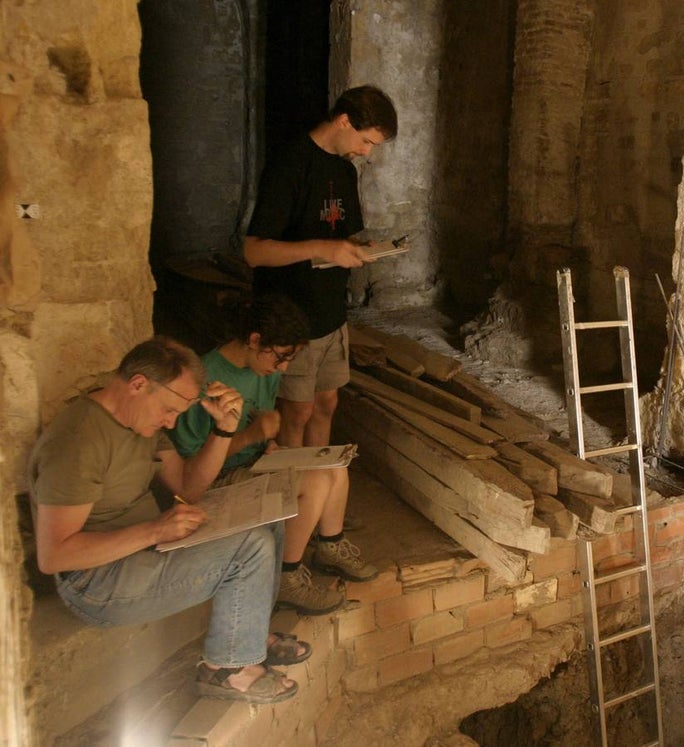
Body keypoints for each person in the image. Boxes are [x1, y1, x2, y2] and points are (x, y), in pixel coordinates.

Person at [29, 336, 305, 704]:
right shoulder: (79, 442)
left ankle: (252, 638)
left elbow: (187, 489)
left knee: (269, 517)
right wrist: (155, 529)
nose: (172, 422)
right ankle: (228, 670)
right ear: (139, 384)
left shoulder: (138, 418)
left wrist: (224, 431)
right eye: (171, 410)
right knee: (250, 548)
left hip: (144, 550)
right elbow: (55, 557)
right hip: (96, 583)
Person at [169, 294, 379, 616]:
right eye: (280, 357)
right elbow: (193, 467)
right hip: (216, 479)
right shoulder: (205, 377)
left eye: (290, 359)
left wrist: (269, 446)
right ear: (255, 341)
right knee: (315, 482)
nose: (283, 367)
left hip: (253, 463)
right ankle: (287, 578)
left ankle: (329, 546)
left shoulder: (265, 370)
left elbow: (261, 424)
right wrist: (252, 436)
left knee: (335, 467)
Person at [244, 85, 399, 449]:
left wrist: (364, 249)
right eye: (366, 141)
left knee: (327, 404)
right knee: (296, 410)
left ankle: (316, 483)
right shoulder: (290, 164)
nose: (366, 152)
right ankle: (292, 492)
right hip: (290, 312)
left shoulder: (344, 172)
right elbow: (253, 252)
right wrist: (322, 247)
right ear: (343, 121)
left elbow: (341, 235)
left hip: (330, 312)